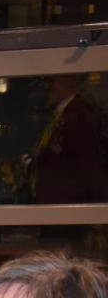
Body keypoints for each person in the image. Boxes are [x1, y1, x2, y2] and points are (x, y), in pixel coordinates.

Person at [27, 74, 106, 204]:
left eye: (50, 83)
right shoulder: (64, 115)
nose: (46, 90)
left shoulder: (79, 115)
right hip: (61, 202)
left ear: (62, 83)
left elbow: (88, 163)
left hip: (69, 203)